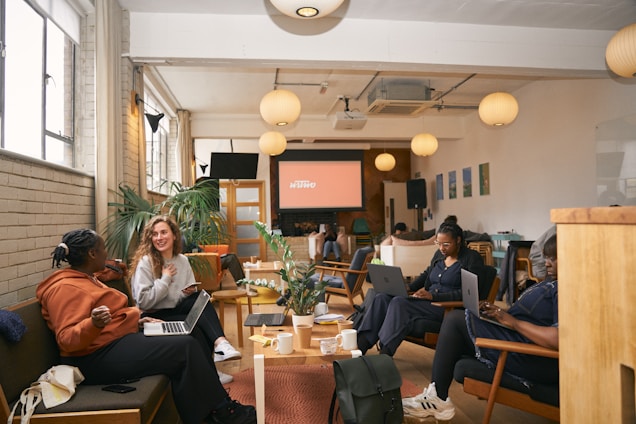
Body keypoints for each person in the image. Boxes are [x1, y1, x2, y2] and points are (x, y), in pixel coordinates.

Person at [37, 229, 256, 424]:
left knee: (193, 332)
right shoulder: (64, 288)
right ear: (92, 254)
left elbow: (110, 312)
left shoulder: (87, 277)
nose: (107, 254)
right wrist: (92, 324)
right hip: (92, 359)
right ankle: (220, 413)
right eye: (103, 249)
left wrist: (135, 320)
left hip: (112, 343)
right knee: (184, 347)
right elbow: (67, 339)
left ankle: (216, 404)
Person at [402, 235, 558, 420]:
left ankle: (437, 399)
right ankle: (437, 396)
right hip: (516, 338)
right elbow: (533, 317)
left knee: (455, 320)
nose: (547, 263)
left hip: (527, 354)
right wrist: (500, 314)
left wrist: (513, 322)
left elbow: (557, 338)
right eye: (546, 257)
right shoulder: (551, 282)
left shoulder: (565, 288)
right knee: (461, 321)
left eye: (554, 258)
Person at [131, 215, 241, 385]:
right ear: (150, 238)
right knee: (196, 327)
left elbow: (182, 296)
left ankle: (221, 346)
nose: (159, 237)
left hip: (176, 307)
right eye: (154, 234)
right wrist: (165, 279)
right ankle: (213, 363)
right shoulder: (146, 262)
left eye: (163, 232)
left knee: (199, 298)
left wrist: (186, 293)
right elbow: (143, 301)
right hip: (154, 315)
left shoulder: (182, 260)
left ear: (174, 235)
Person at [356, 222, 485, 356]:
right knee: (382, 298)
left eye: (446, 244)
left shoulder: (471, 259)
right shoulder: (439, 255)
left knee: (399, 303)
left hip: (447, 308)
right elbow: (427, 274)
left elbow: (469, 294)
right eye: (438, 243)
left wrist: (434, 296)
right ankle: (360, 346)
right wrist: (408, 287)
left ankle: (385, 353)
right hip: (428, 303)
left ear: (458, 240)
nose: (442, 248)